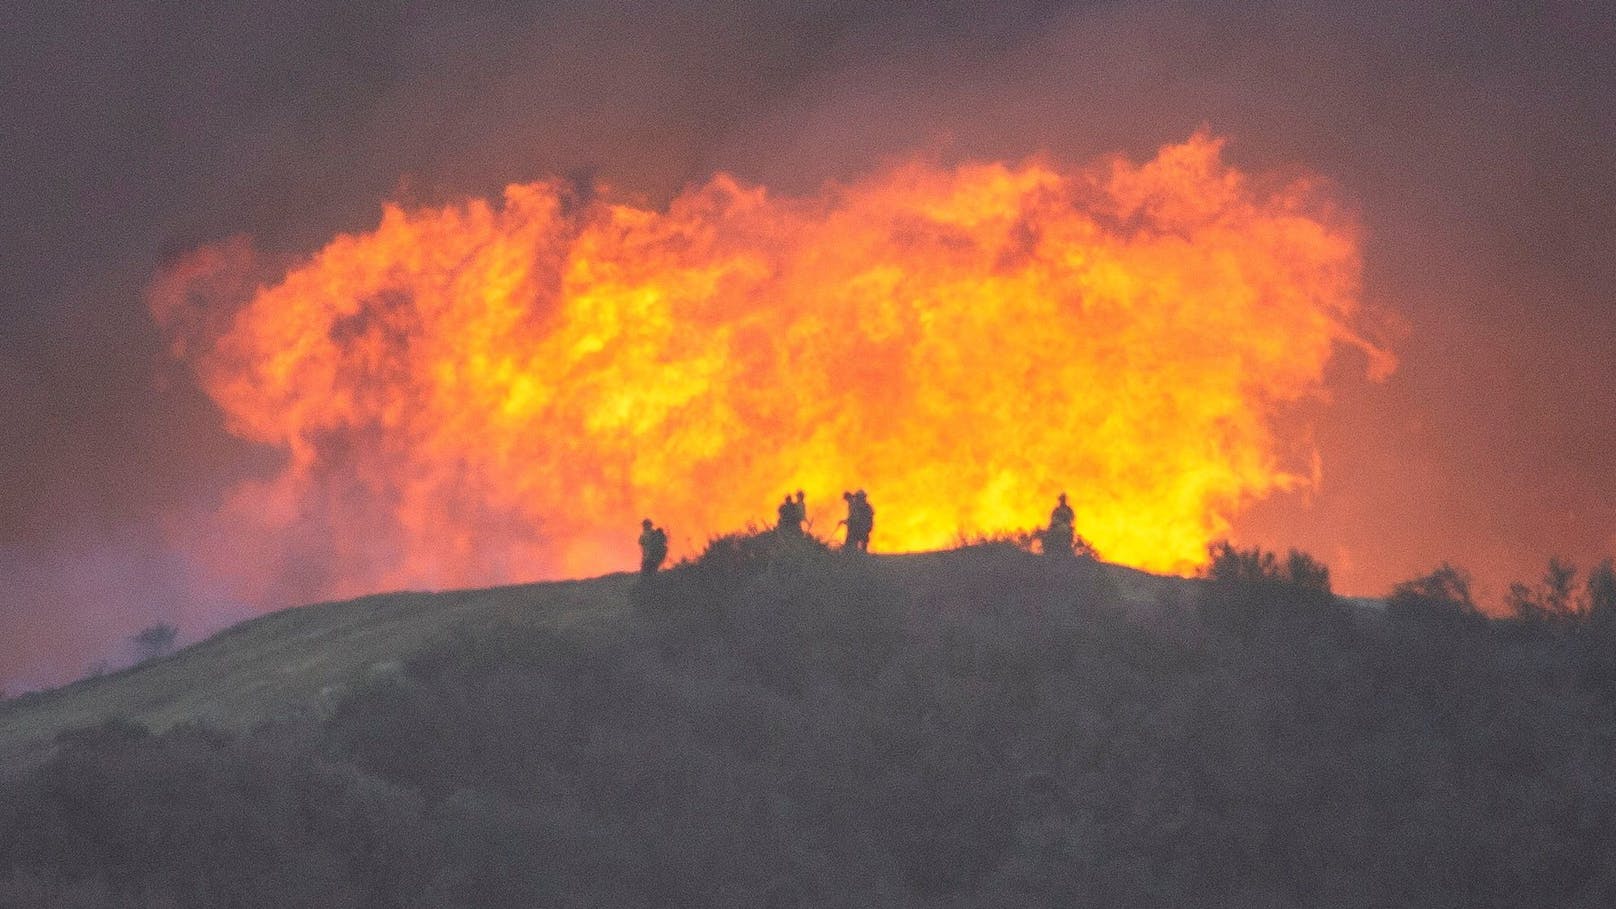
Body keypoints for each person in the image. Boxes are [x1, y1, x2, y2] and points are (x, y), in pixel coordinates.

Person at [1044, 492, 1075, 557]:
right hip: (1056, 525)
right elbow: (1052, 518)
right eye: (1061, 499)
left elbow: (1072, 518)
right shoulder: (1056, 509)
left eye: (1063, 499)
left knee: (1066, 532)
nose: (1062, 501)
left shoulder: (1068, 509)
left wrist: (1067, 521)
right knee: (1048, 534)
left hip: (1066, 526)